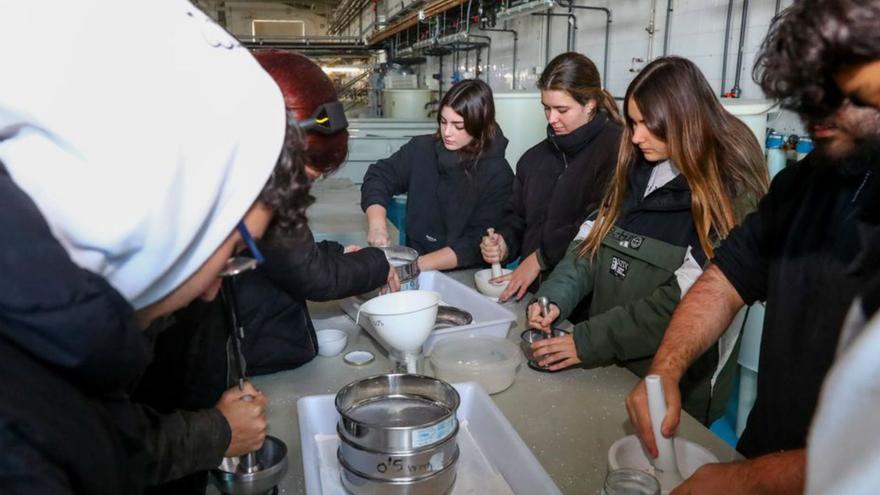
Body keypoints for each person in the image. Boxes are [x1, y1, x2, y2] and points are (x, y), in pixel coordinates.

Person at [0, 2, 305, 492]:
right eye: (231, 250)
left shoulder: (46, 346)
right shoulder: (26, 455)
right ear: (161, 216)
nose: (211, 292)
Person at [624, 2, 880, 493]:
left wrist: (747, 482)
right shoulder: (805, 184)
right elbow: (725, 280)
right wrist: (666, 369)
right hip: (766, 449)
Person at [133, 54, 394, 492]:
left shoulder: (198, 208)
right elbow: (90, 444)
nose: (218, 285)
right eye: (229, 257)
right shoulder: (119, 276)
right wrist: (214, 432)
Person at [526, 56, 768, 426]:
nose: (636, 136)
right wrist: (555, 296)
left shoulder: (728, 196)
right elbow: (589, 244)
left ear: (685, 123)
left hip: (675, 387)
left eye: (649, 126)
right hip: (609, 361)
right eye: (634, 122)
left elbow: (681, 304)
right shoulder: (637, 164)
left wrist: (587, 341)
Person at [480, 52, 622, 302]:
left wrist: (541, 258)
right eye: (546, 108)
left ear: (590, 104)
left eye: (561, 109)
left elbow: (599, 222)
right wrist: (504, 242)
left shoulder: (617, 152)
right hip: (534, 296)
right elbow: (517, 217)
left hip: (585, 305)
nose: (551, 118)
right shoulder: (533, 160)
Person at [361, 79, 514, 271]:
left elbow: (474, 243)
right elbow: (379, 176)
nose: (447, 132)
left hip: (464, 273)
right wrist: (377, 225)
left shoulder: (497, 173)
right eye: (443, 121)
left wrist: (410, 268)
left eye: (458, 126)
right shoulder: (420, 150)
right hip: (416, 258)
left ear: (479, 125)